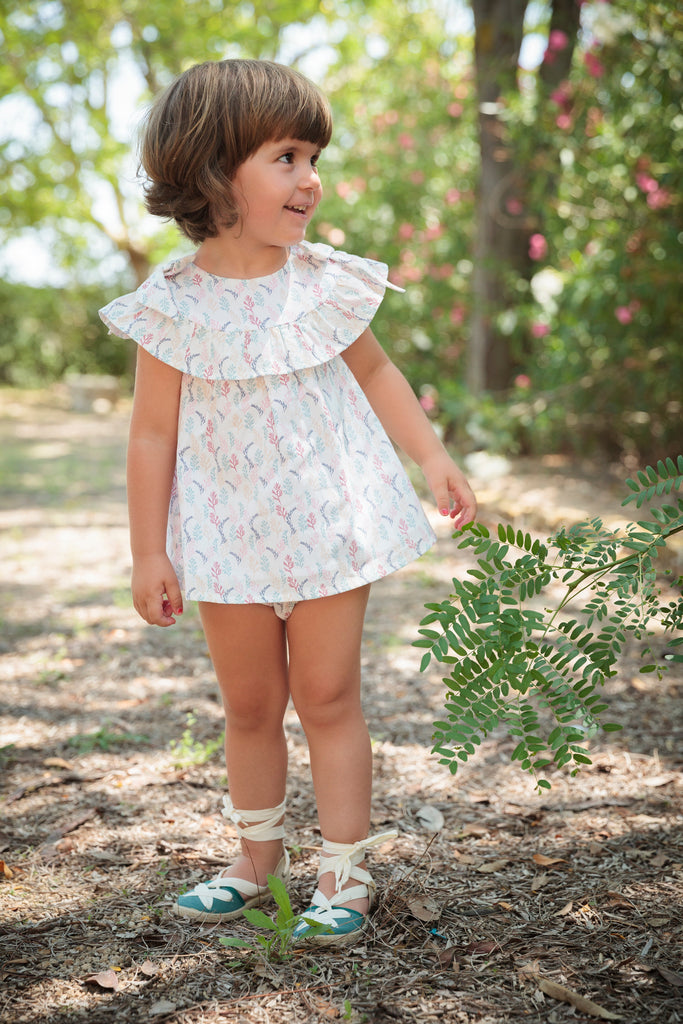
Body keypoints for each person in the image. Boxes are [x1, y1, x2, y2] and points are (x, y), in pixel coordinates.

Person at [100, 58, 476, 946]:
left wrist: (432, 456)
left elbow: (377, 371)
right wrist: (148, 551)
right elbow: (151, 435)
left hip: (328, 524)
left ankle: (345, 868)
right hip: (228, 535)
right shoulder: (173, 306)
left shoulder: (324, 281)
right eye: (287, 156)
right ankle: (254, 859)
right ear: (211, 168)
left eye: (314, 158)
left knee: (328, 693)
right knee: (249, 704)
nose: (311, 180)